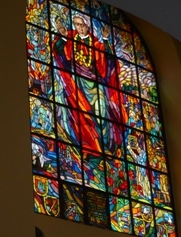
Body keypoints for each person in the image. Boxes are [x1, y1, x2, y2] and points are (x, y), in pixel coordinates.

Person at [52, 13, 126, 152]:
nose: (79, 28)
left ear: (87, 26)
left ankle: (105, 145)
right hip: (77, 83)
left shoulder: (96, 44)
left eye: (82, 25)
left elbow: (109, 59)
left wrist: (105, 39)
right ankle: (90, 146)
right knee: (80, 112)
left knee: (100, 111)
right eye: (77, 24)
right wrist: (63, 36)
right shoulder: (70, 38)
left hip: (94, 84)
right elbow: (58, 50)